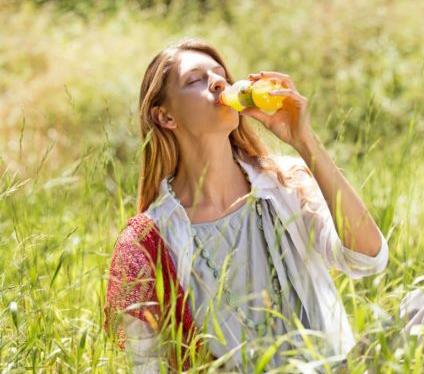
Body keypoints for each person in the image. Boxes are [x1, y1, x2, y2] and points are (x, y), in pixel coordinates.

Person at [104, 37, 391, 372]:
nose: (218, 82)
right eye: (195, 80)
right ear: (165, 116)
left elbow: (368, 258)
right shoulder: (148, 242)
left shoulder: (287, 182)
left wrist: (305, 142)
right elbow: (146, 364)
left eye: (220, 73)